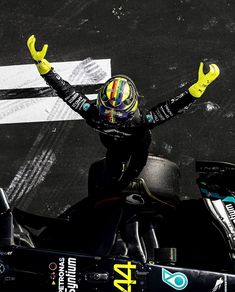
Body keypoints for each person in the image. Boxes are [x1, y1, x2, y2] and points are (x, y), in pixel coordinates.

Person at [26, 35, 220, 258]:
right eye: (107, 112)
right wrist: (43, 66)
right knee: (113, 169)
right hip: (112, 146)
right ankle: (117, 190)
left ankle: (127, 188)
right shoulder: (94, 114)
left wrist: (200, 86)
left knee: (133, 170)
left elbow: (173, 106)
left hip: (138, 147)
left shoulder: (138, 121)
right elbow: (66, 91)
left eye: (117, 114)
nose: (110, 118)